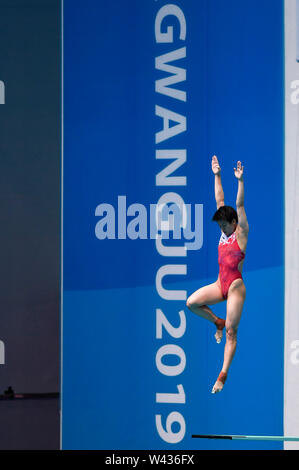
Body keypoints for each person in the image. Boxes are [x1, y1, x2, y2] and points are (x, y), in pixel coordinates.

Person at [186, 155, 249, 393]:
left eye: (225, 225)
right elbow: (219, 199)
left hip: (235, 287)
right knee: (191, 303)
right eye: (220, 226)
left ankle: (222, 375)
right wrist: (217, 175)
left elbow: (239, 206)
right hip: (219, 284)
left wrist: (240, 181)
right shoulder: (224, 232)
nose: (221, 229)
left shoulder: (241, 233)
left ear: (234, 223)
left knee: (233, 332)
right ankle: (217, 322)